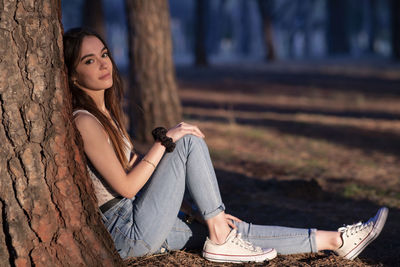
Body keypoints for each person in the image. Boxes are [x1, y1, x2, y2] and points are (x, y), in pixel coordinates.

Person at [63, 27, 388, 263]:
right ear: (74, 76)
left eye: (104, 54)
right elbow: (127, 187)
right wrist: (167, 140)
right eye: (89, 61)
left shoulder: (104, 113)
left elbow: (135, 169)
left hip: (136, 220)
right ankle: (220, 236)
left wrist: (200, 212)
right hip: (125, 229)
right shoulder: (84, 120)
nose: (104, 63)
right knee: (188, 140)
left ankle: (337, 240)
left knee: (230, 228)